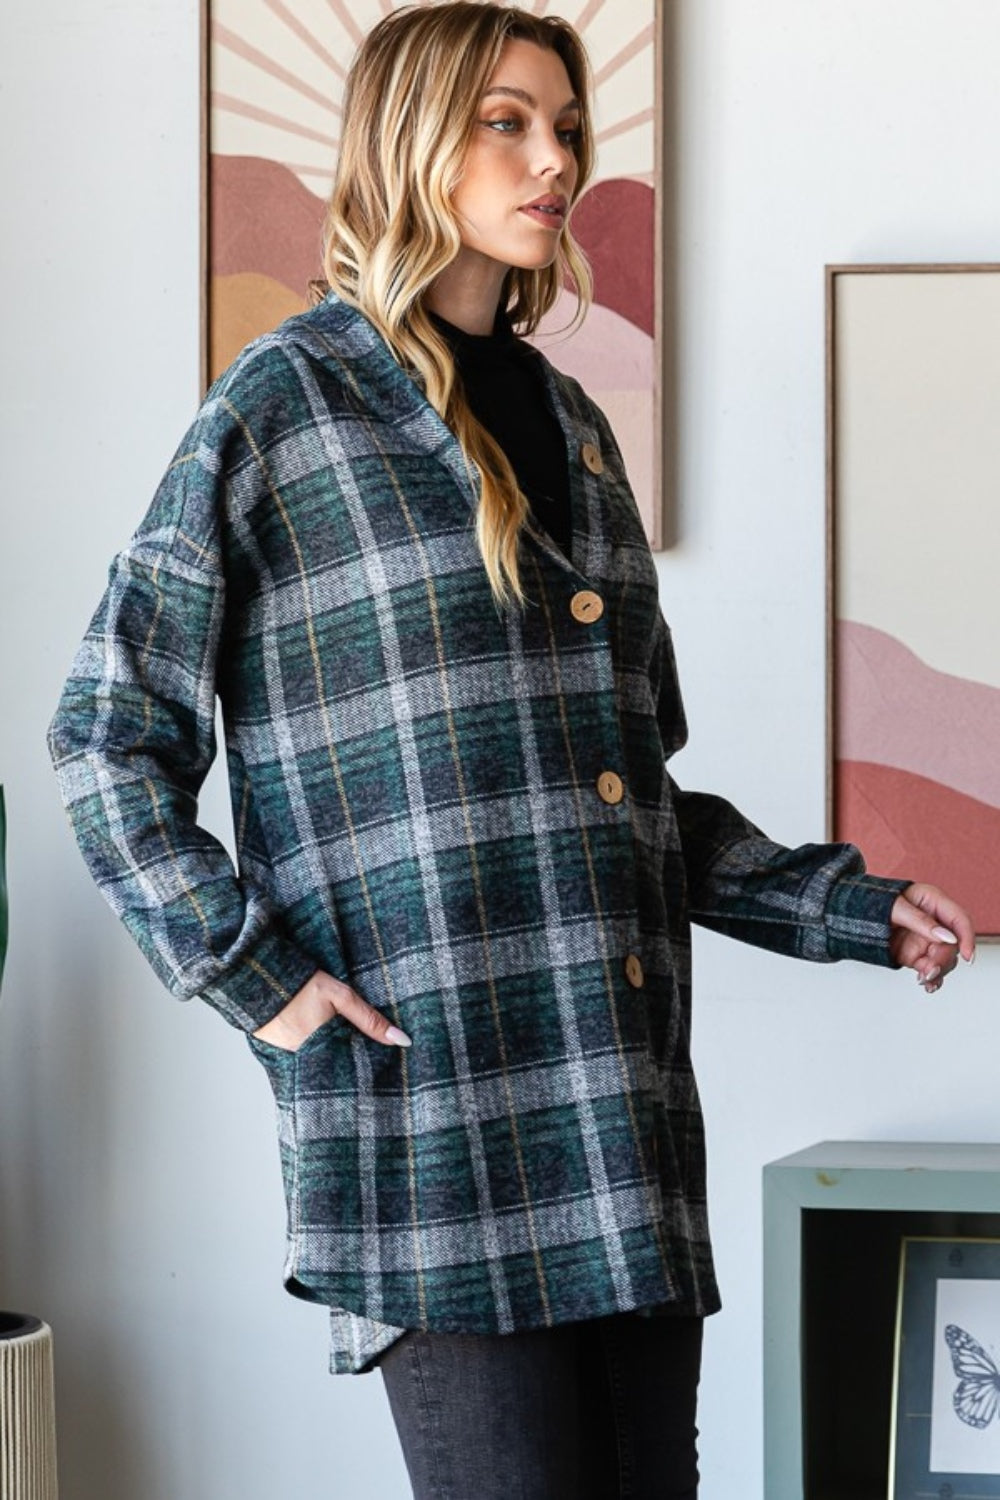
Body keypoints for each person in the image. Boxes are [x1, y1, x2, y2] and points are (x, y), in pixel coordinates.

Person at [48, 4, 975, 1496]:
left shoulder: (577, 429)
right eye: (508, 122)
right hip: (439, 1127)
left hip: (621, 1124)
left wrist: (848, 907)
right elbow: (107, 734)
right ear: (413, 139)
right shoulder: (284, 409)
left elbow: (631, 801)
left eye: (568, 127)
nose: (557, 161)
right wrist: (254, 979)